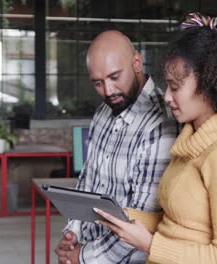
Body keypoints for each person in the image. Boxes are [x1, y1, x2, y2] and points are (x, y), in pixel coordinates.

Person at [95, 13, 217, 264]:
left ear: (213, 85)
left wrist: (148, 244)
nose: (167, 97)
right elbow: (176, 226)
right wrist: (120, 215)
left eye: (175, 87)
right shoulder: (190, 143)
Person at [55, 30, 174, 264]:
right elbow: (89, 179)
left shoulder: (159, 123)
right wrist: (73, 234)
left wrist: (82, 257)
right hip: (89, 250)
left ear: (137, 63)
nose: (108, 91)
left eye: (115, 77)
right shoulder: (105, 110)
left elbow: (143, 222)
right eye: (98, 83)